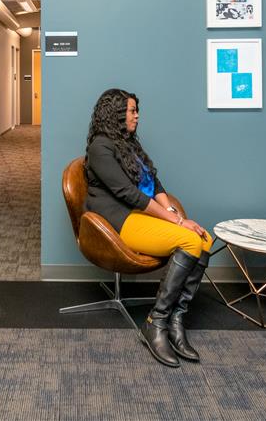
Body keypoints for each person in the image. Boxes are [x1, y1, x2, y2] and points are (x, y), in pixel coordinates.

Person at [84, 88, 213, 367]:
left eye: (135, 110)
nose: (137, 116)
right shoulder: (100, 148)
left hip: (142, 214)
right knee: (191, 241)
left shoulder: (129, 144)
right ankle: (156, 322)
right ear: (115, 114)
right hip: (119, 220)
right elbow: (129, 194)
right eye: (132, 111)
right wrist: (178, 220)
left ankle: (176, 319)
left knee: (205, 240)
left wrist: (170, 210)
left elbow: (154, 184)